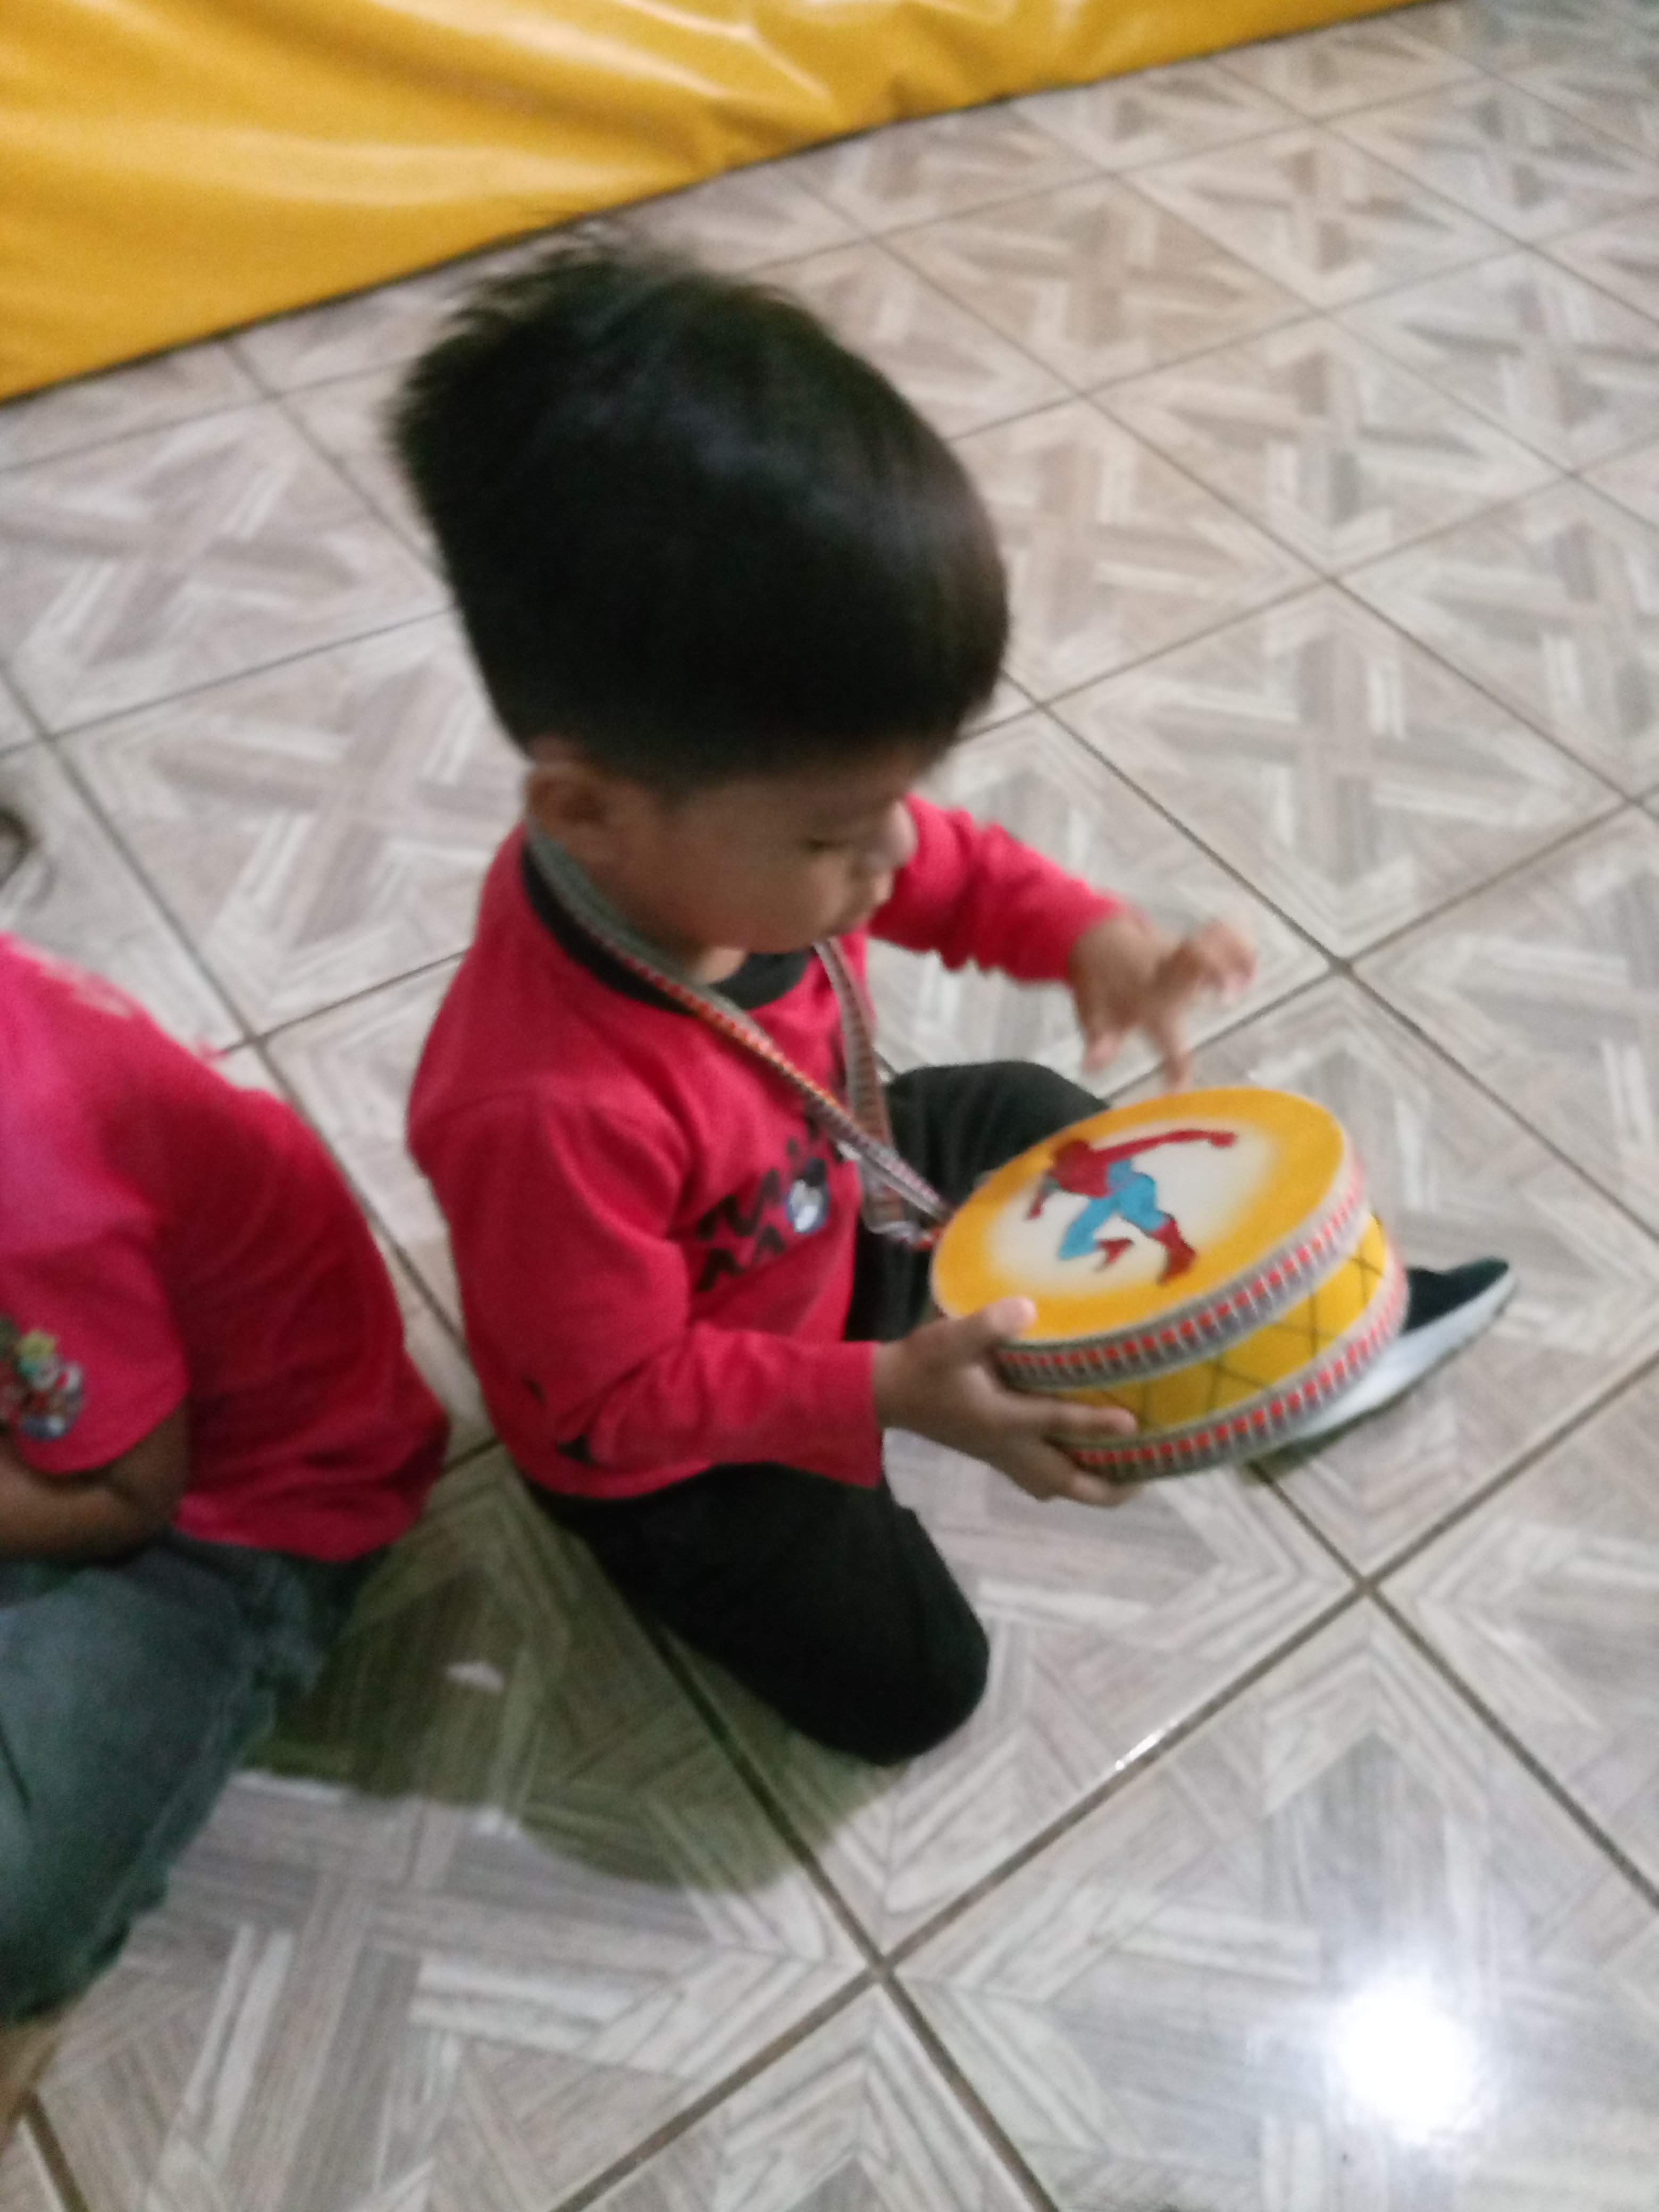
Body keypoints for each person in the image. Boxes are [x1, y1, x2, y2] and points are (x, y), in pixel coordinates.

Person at [398, 248, 1511, 1769]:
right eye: (831, 836)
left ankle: (1301, 1350)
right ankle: (747, 1507)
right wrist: (887, 1397)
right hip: (684, 1410)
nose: (888, 859)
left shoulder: (738, 843)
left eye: (899, 796)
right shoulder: (541, 1110)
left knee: (1035, 1118)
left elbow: (951, 868)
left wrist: (1090, 938)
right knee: (918, 1684)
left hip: (823, 1187)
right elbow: (614, 1391)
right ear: (589, 811)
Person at [0, 894, 449, 2131]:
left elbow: (124, 1498)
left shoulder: (30, 1163)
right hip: (82, 1396)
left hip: (239, 1508)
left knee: (16, 1913)